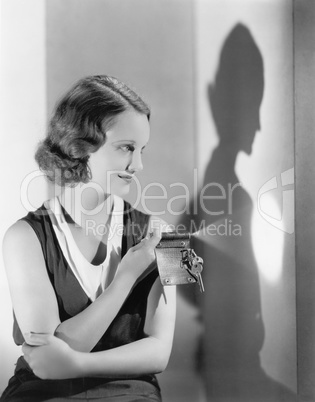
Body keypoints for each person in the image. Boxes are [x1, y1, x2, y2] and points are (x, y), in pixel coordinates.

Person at [1, 75, 176, 402]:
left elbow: (159, 353)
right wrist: (125, 278)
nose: (138, 165)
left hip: (131, 394)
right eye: (126, 148)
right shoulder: (22, 238)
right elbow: (45, 363)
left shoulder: (164, 236)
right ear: (79, 145)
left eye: (141, 150)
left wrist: (75, 364)